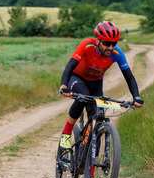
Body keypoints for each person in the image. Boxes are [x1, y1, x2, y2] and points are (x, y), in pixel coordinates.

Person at [58, 21, 144, 152]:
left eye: (114, 44)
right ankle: (67, 132)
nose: (110, 47)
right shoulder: (87, 45)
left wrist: (136, 97)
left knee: (97, 115)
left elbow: (129, 76)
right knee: (83, 98)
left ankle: (91, 155)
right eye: (107, 43)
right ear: (98, 40)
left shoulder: (117, 53)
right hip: (77, 78)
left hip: (96, 83)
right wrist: (64, 85)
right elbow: (70, 65)